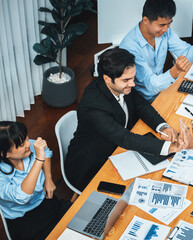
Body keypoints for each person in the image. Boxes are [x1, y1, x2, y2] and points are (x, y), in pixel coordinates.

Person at [66, 47, 183, 191]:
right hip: (91, 166)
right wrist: (170, 147)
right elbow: (125, 139)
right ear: (107, 79)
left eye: (133, 78)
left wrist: (162, 127)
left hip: (119, 151)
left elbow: (141, 106)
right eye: (127, 80)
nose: (132, 84)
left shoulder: (120, 85)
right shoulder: (93, 105)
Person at [0, 121, 71, 240]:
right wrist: (39, 160)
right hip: (25, 222)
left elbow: (46, 151)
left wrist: (48, 179)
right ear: (5, 154)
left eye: (26, 139)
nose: (28, 144)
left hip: (47, 202)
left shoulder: (28, 147)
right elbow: (22, 197)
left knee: (86, 217)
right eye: (21, 144)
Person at [120, 0, 193, 102]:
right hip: (144, 100)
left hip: (164, 89)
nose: (166, 30)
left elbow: (187, 53)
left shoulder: (164, 32)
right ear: (146, 20)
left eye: (169, 24)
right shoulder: (130, 47)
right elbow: (151, 85)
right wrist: (175, 70)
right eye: (161, 25)